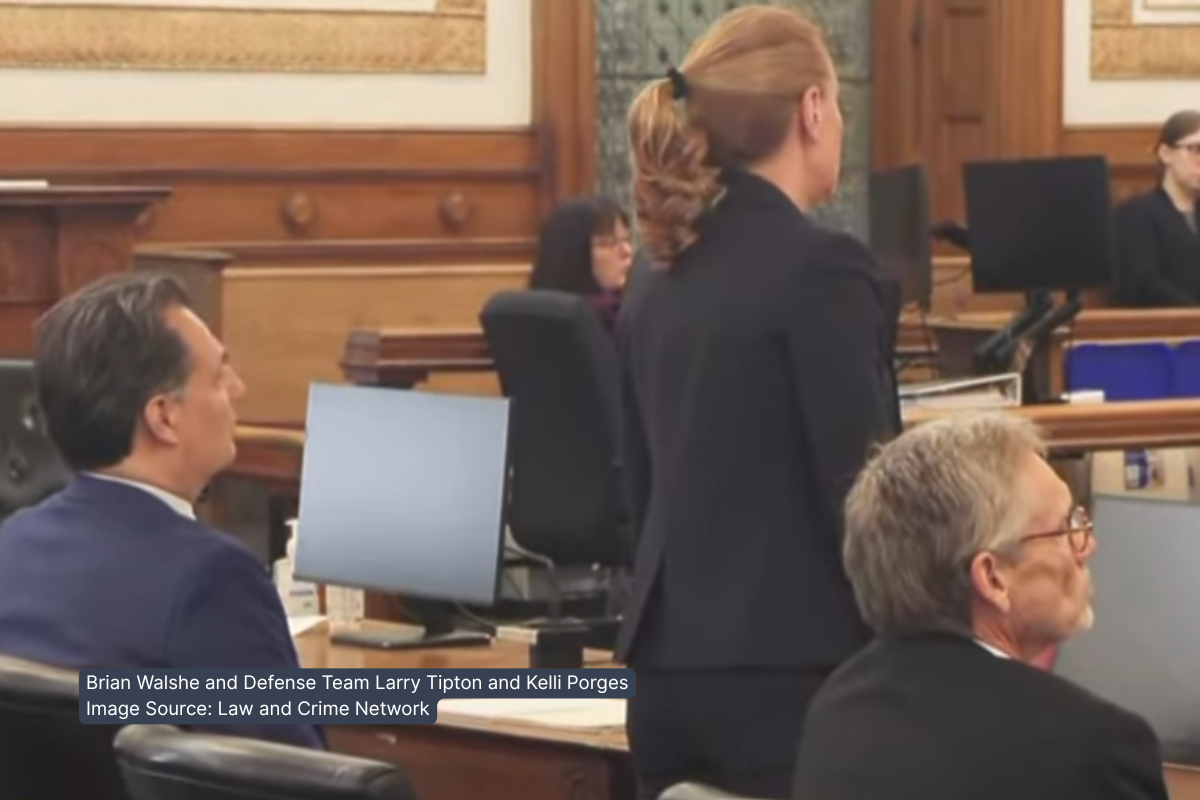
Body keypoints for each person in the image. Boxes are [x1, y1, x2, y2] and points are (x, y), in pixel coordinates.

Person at [614, 6, 902, 799]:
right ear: (812, 110)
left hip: (664, 674)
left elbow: (637, 478)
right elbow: (864, 500)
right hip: (795, 680)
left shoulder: (655, 272)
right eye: (837, 101)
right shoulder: (823, 269)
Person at [0, 272, 323, 750]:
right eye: (218, 376)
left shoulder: (13, 542)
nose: (237, 388)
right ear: (164, 418)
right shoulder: (213, 576)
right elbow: (292, 770)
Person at [793, 412, 1169, 800]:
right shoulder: (1095, 747)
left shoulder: (836, 710)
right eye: (1065, 528)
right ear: (992, 578)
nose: (1087, 546)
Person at [1113, 109, 1200, 306]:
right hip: (1164, 321)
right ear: (1165, 154)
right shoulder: (1136, 214)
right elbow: (1143, 285)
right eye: (1195, 149)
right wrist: (1195, 313)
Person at [528, 196, 634, 331]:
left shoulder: (633, 306)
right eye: (607, 243)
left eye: (627, 240)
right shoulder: (608, 318)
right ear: (572, 254)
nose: (627, 251)